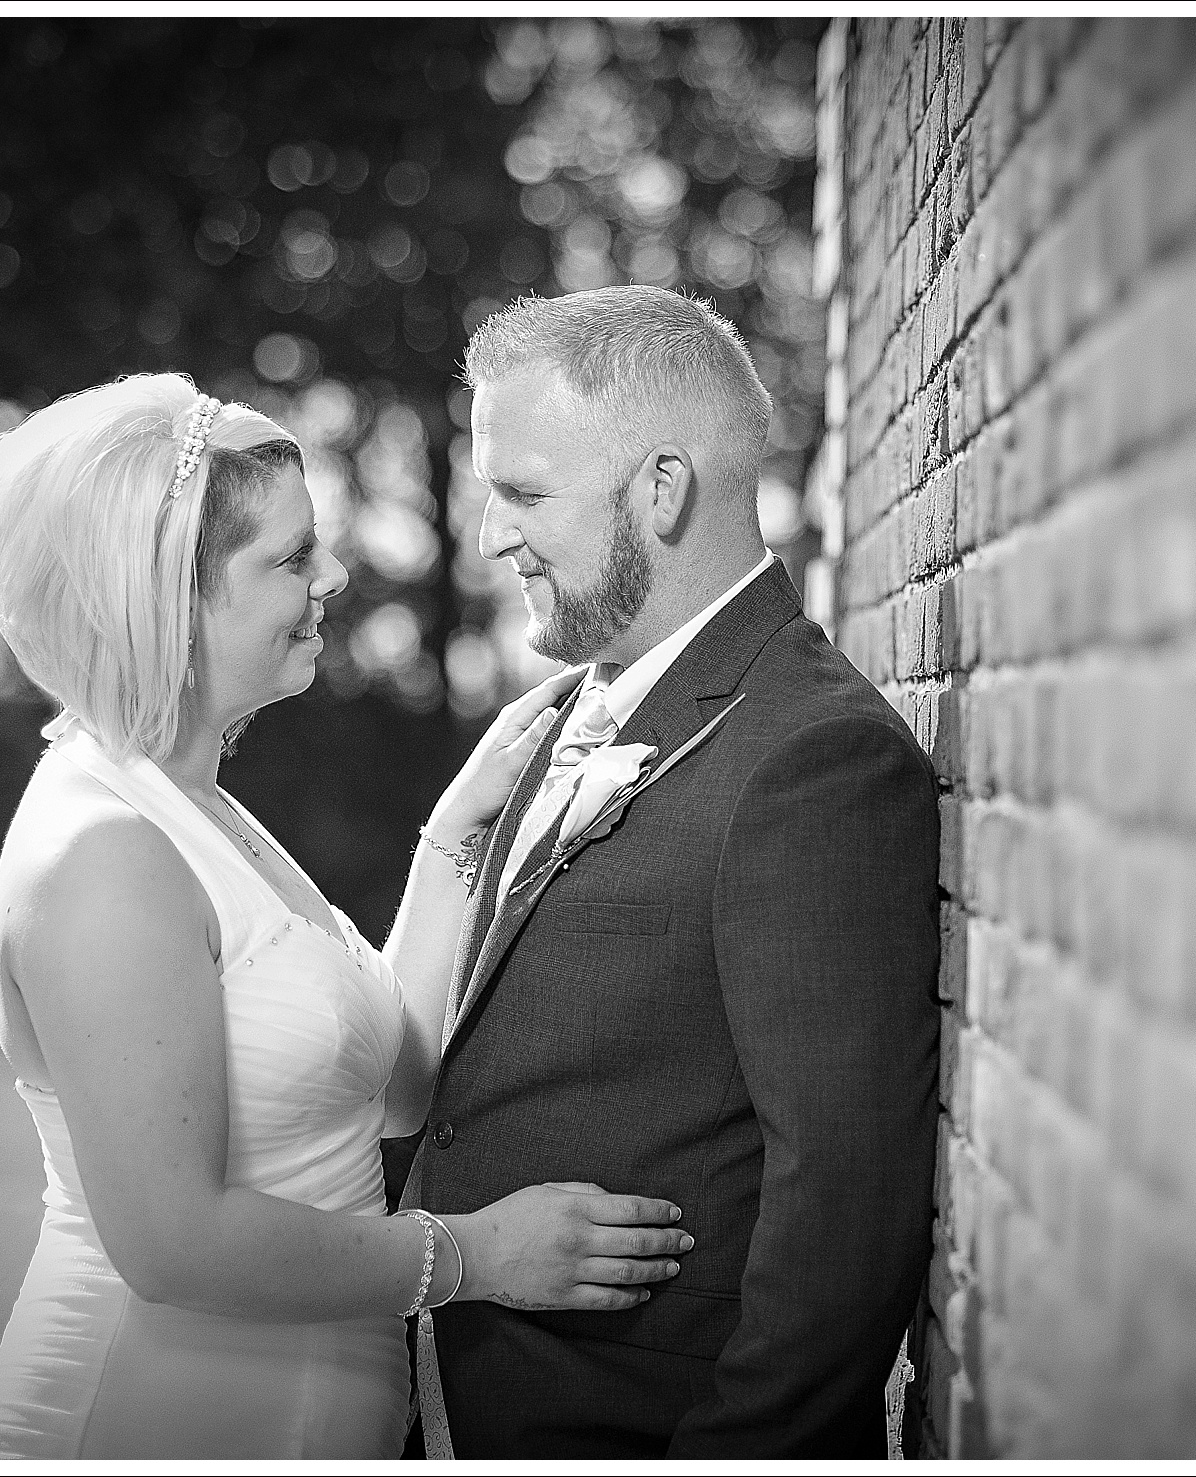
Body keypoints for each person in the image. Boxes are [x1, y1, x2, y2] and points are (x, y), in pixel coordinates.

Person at [0, 373, 691, 1459]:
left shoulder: (200, 810)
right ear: (169, 597)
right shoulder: (104, 856)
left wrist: (453, 838)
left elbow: (397, 1087)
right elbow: (174, 1246)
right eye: (293, 558)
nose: (333, 576)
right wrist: (476, 1254)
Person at [401, 287, 942, 1457]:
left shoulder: (814, 756)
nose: (492, 535)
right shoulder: (559, 718)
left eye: (527, 493)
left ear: (662, 487)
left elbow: (844, 1200)